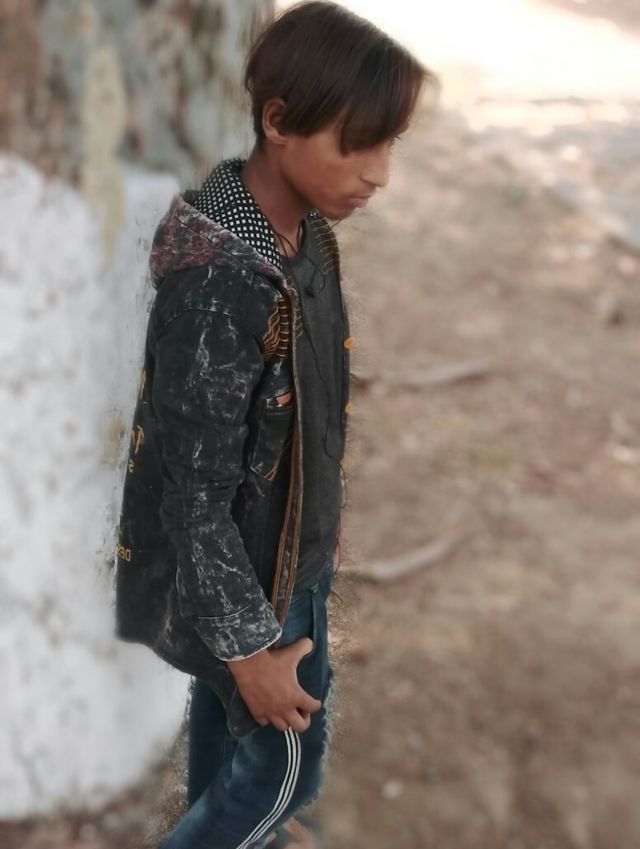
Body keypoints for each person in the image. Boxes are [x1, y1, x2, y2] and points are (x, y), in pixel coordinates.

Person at [113, 1, 436, 846]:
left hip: (294, 558)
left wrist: (319, 535)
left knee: (233, 744)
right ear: (279, 122)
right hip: (253, 595)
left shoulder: (308, 239)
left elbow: (305, 411)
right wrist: (249, 652)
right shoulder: (222, 286)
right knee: (285, 769)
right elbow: (194, 496)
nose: (379, 174)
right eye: (357, 143)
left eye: (390, 144)